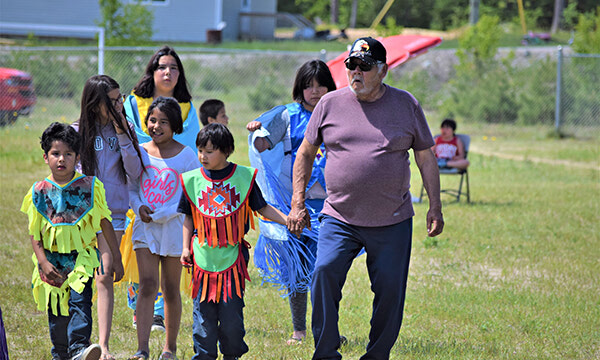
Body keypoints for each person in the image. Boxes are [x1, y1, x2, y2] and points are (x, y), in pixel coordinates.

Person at [287, 37, 444, 360]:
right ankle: (326, 351)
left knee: (389, 291)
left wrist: (435, 206)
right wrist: (297, 202)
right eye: (351, 65)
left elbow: (426, 157)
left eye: (364, 66)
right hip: (339, 215)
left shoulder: (406, 105)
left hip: (392, 218)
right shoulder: (330, 104)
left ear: (383, 70)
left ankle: (377, 355)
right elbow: (305, 153)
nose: (356, 72)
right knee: (324, 273)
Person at [245, 59, 336, 345]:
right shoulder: (287, 115)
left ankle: (327, 329)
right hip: (293, 206)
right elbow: (263, 145)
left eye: (320, 84)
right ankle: (299, 330)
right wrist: (257, 131)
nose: (315, 91)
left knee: (326, 270)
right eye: (308, 85)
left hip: (330, 205)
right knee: (296, 270)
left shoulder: (339, 112)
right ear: (300, 88)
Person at [179, 124, 288, 360]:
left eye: (209, 151)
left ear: (226, 150)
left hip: (232, 261)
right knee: (203, 319)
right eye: (200, 150)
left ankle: (232, 355)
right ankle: (204, 356)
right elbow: (188, 217)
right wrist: (186, 247)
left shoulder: (244, 177)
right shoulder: (192, 180)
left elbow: (263, 208)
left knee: (231, 321)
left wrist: (287, 220)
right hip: (202, 260)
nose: (202, 156)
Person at [20, 122, 124, 360]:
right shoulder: (39, 191)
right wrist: (43, 262)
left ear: (77, 157)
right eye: (56, 154)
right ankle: (62, 354)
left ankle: (79, 348)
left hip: (82, 260)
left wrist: (115, 258)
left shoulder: (91, 187)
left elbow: (104, 223)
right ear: (46, 157)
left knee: (80, 303)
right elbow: (35, 233)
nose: (61, 159)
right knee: (57, 317)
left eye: (68, 154)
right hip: (52, 264)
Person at [123, 45, 200, 332]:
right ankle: (140, 305)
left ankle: (159, 313)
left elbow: (193, 149)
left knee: (168, 272)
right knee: (140, 259)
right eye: (162, 67)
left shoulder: (188, 109)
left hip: (173, 194)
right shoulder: (133, 104)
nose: (168, 72)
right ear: (152, 72)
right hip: (143, 189)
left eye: (174, 68)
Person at [72, 75, 144, 360]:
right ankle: (76, 341)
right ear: (94, 103)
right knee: (80, 279)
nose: (118, 104)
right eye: (111, 101)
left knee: (104, 277)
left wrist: (125, 135)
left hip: (113, 216)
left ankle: (103, 347)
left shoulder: (126, 129)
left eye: (119, 98)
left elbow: (135, 171)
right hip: (81, 218)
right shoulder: (77, 132)